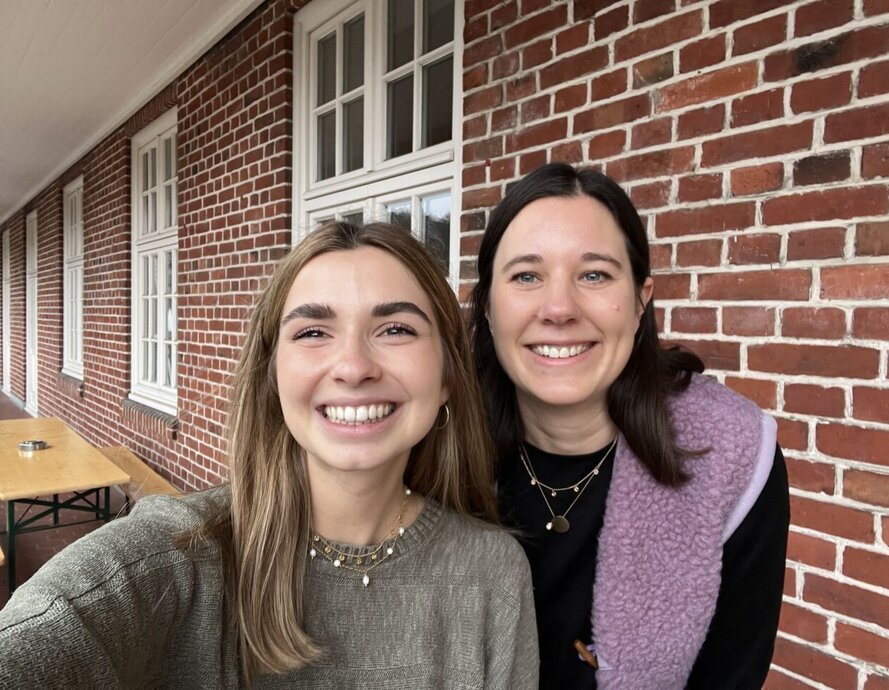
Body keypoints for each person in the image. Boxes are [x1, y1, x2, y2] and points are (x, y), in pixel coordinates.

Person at [0, 221, 538, 688]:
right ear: (272, 377)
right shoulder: (182, 557)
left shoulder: (491, 573)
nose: (353, 367)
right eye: (312, 332)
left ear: (446, 376)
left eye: (395, 328)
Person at [468, 163, 789, 690]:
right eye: (527, 275)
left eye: (594, 274)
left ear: (641, 301)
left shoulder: (728, 457)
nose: (559, 308)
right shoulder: (432, 445)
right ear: (487, 305)